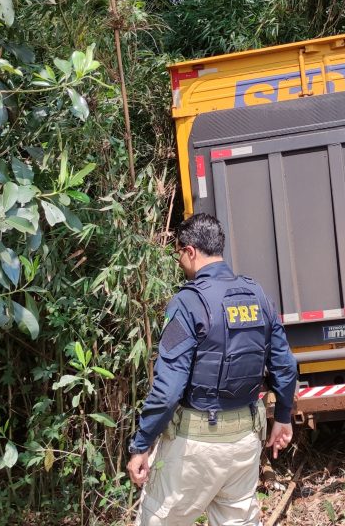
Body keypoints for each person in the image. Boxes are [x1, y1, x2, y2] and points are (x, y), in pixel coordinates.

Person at [127, 213, 298, 526]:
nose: (179, 259)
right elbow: (284, 366)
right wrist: (283, 418)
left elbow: (168, 390)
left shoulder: (187, 302)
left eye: (178, 252)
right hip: (246, 442)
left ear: (190, 251)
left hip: (195, 445)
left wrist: (141, 445)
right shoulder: (256, 295)